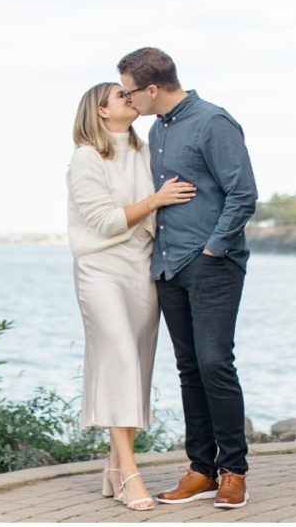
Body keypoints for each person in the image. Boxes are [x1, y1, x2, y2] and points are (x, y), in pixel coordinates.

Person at [117, 47, 258, 510]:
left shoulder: (213, 123)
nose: (127, 99)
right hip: (167, 266)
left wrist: (214, 248)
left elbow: (243, 195)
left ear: (152, 89)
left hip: (211, 263)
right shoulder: (157, 130)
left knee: (216, 362)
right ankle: (201, 468)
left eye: (130, 91)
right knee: (189, 367)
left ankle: (233, 471)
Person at [66, 82, 197, 512]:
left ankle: (114, 466)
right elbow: (103, 222)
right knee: (120, 357)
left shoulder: (147, 150)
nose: (131, 97)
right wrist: (156, 200)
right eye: (121, 95)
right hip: (101, 268)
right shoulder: (86, 159)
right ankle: (129, 471)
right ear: (101, 112)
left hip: (143, 267)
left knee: (136, 365)